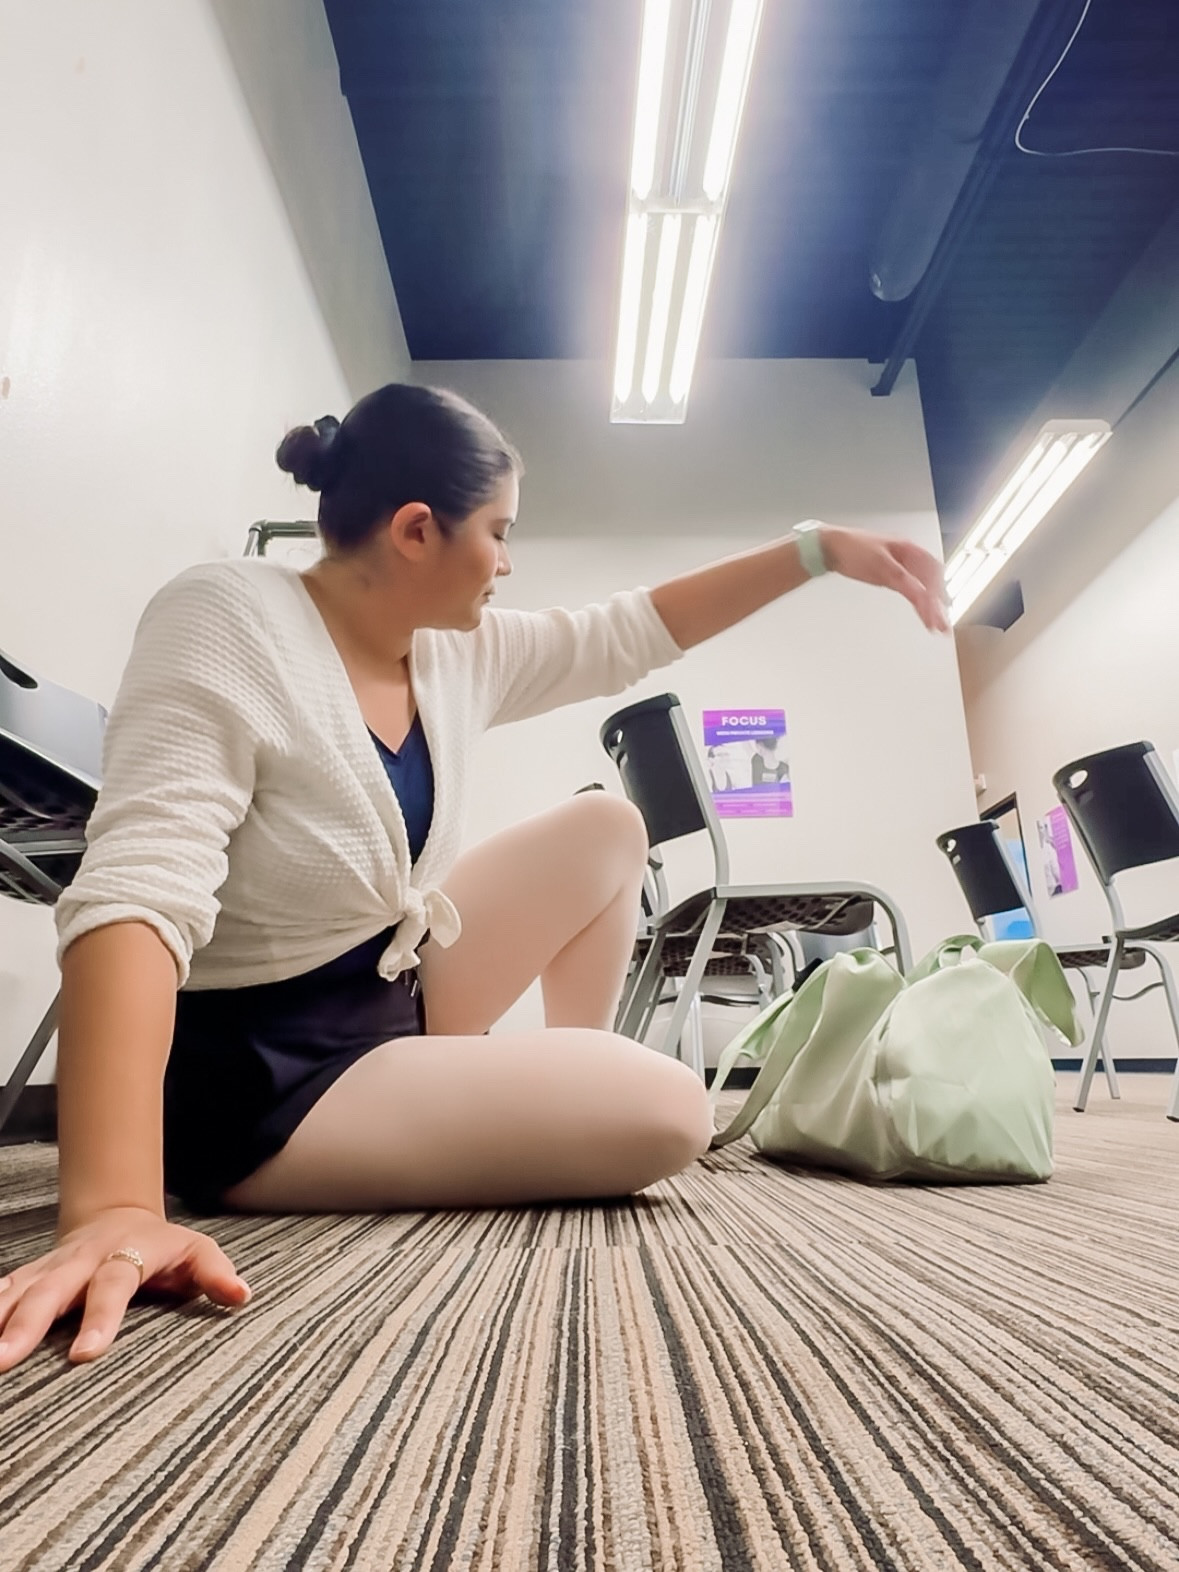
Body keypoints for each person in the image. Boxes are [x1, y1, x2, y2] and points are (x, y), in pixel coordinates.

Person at [0, 383, 948, 1373]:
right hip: (271, 1085)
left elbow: (628, 632)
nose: (507, 559)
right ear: (418, 531)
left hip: (385, 993)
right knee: (673, 1111)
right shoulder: (229, 618)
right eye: (499, 531)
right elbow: (137, 890)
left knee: (606, 827)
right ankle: (577, 1104)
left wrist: (816, 551)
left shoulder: (453, 652)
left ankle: (552, 1103)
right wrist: (113, 1206)